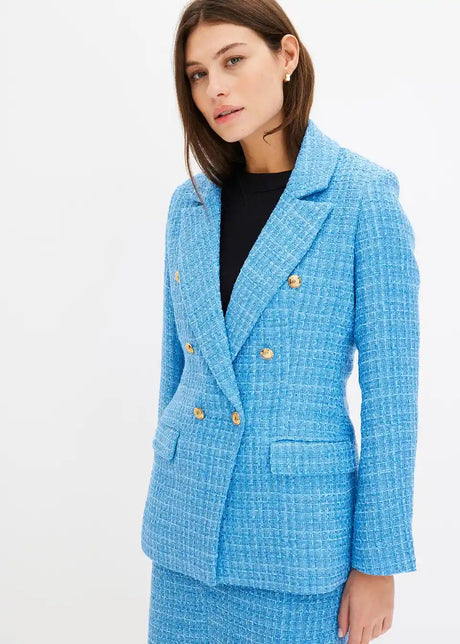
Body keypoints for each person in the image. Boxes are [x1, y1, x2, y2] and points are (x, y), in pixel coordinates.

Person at [141, 1, 420, 642]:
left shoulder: (360, 196)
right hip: (184, 532)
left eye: (233, 60)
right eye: (197, 74)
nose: (215, 89)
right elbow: (177, 374)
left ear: (286, 56)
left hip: (296, 540)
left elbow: (392, 400)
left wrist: (376, 564)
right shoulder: (189, 205)